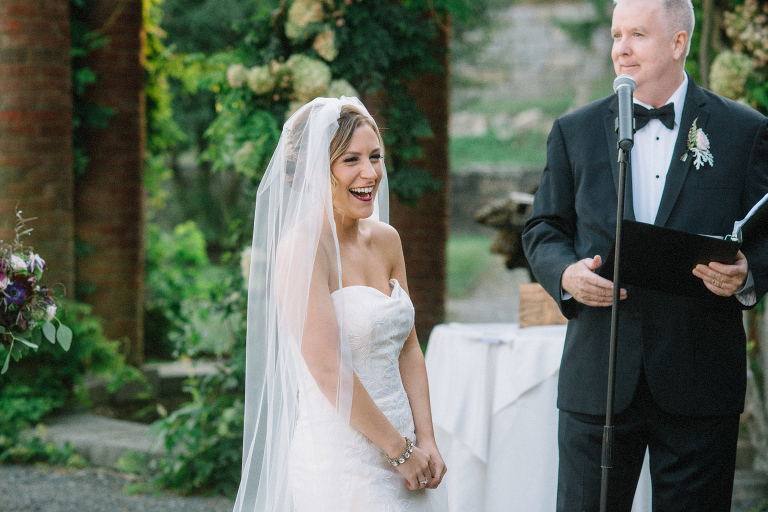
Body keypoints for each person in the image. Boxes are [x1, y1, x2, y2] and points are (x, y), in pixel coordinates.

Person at [522, 0, 768, 510]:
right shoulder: (576, 130)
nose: (621, 49)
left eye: (637, 34)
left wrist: (748, 274)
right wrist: (566, 274)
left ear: (679, 44)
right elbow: (544, 227)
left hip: (699, 377)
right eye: (616, 35)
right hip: (600, 374)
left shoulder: (744, 131)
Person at [233, 96, 447, 512]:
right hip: (342, 460)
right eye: (351, 160)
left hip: (407, 451)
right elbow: (327, 367)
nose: (370, 173)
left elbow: (408, 346)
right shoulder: (304, 249)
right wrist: (400, 451)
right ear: (316, 171)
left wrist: (427, 440)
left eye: (375, 157)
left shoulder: (387, 239)